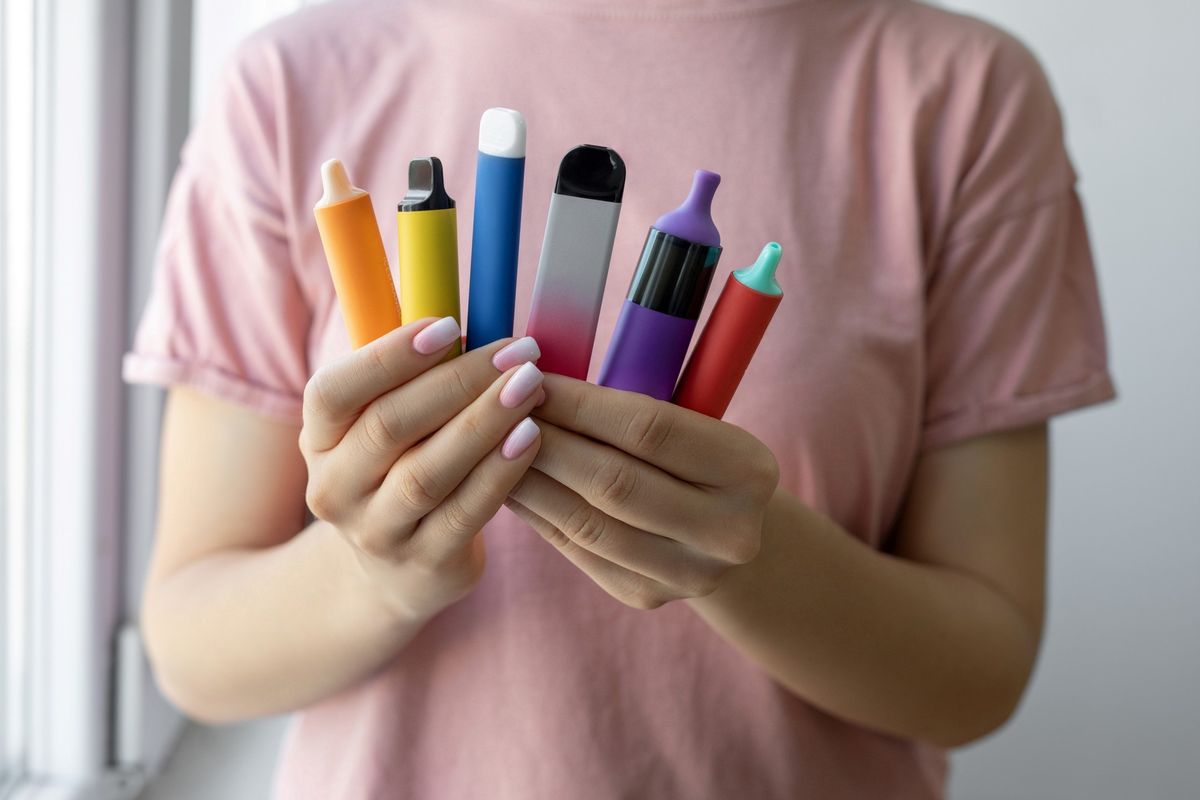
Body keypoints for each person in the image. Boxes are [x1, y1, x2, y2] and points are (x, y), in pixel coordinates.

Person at [124, 0, 1115, 797]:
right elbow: (195, 650)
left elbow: (980, 673)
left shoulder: (964, 95)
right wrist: (380, 572)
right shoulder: (291, 84)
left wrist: (746, 556)